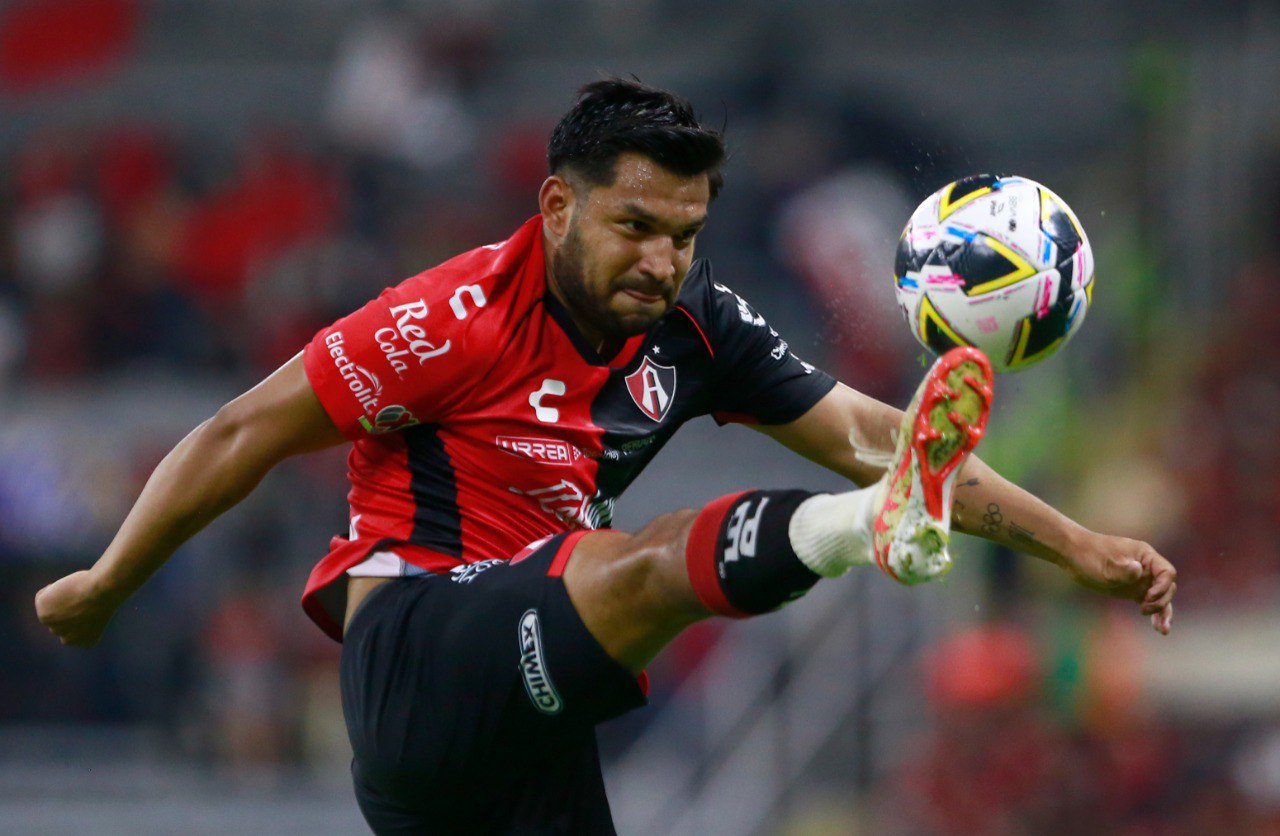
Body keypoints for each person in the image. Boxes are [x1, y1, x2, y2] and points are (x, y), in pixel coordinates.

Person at [35, 79, 1176, 834]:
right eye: (635, 226)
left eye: (684, 233)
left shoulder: (699, 330)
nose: (662, 260)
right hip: (417, 656)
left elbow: (885, 436)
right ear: (557, 207)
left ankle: (872, 518)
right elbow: (240, 430)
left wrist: (1076, 544)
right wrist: (107, 579)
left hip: (536, 725)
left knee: (625, 564)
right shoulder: (447, 318)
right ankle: (858, 531)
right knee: (635, 560)